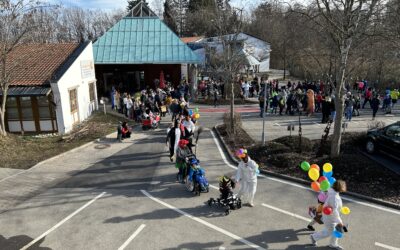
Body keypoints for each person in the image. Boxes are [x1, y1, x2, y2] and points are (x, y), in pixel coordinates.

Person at [311, 180, 347, 250]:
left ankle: (333, 244)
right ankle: (314, 237)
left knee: (337, 229)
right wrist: (340, 221)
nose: (345, 187)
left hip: (332, 217)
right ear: (340, 187)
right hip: (330, 218)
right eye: (344, 186)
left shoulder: (333, 192)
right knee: (329, 231)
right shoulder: (334, 197)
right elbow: (334, 211)